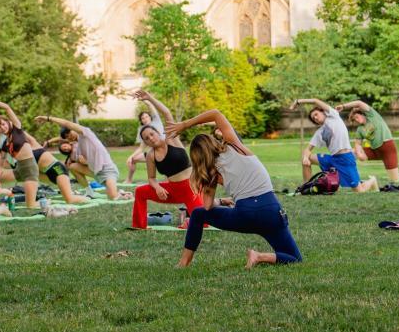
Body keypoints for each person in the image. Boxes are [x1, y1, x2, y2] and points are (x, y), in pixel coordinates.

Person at [166, 109, 302, 269]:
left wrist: (222, 201)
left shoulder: (210, 172)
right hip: (272, 211)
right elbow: (216, 113)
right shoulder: (235, 145)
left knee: (198, 214)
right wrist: (185, 124)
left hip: (246, 214)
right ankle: (259, 256)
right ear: (213, 141)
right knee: (294, 257)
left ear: (197, 157)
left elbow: (207, 206)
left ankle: (183, 263)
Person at [131, 90, 202, 229]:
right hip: (171, 191)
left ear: (157, 132)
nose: (151, 138)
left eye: (152, 134)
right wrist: (157, 188)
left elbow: (167, 113)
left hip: (190, 187)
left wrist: (149, 98)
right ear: (145, 142)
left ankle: (194, 216)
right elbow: (151, 178)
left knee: (203, 222)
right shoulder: (151, 155)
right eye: (146, 138)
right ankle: (139, 225)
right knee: (140, 191)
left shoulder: (171, 138)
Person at [34, 115, 131, 200]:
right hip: (96, 173)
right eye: (67, 137)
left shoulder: (85, 133)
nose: (70, 137)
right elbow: (61, 138)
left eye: (70, 133)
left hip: (107, 169)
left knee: (113, 197)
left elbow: (66, 123)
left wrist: (48, 118)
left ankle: (123, 193)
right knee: (72, 167)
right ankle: (90, 192)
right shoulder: (78, 144)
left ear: (73, 129)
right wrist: (49, 142)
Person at [291, 98, 378, 192]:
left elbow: (315, 101)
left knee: (359, 191)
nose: (315, 118)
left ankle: (372, 180)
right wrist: (305, 158)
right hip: (332, 159)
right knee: (308, 158)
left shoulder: (333, 115)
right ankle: (306, 188)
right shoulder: (319, 132)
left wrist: (298, 101)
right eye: (313, 118)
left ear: (323, 112)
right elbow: (307, 149)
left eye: (316, 114)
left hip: (345, 159)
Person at [336, 100, 399, 183]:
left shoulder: (372, 116)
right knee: (351, 152)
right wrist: (359, 154)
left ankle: (397, 176)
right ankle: (343, 174)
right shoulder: (360, 129)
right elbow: (358, 144)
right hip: (375, 151)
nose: (357, 120)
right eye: (355, 119)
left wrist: (343, 106)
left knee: (395, 181)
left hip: (387, 149)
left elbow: (359, 103)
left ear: (362, 113)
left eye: (357, 117)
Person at [24, 131, 89, 204]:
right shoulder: (71, 156)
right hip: (45, 173)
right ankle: (72, 191)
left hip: (58, 171)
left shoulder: (34, 144)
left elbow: (62, 138)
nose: (65, 148)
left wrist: (49, 141)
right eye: (64, 149)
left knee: (70, 199)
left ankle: (87, 198)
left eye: (65, 146)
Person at [0, 101, 40, 208]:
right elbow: (1, 163)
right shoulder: (5, 143)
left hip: (29, 170)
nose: (2, 128)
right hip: (18, 170)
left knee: (30, 206)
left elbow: (7, 108)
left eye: (3, 124)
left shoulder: (17, 129)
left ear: (7, 122)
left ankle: (44, 202)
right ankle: (6, 192)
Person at [126, 102, 165, 182]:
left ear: (150, 117)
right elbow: (142, 147)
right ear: (141, 121)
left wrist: (145, 99)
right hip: (153, 154)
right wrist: (131, 156)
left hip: (165, 152)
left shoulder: (156, 122)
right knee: (133, 159)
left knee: (168, 178)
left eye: (146, 117)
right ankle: (128, 180)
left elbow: (151, 106)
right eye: (143, 118)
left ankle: (166, 180)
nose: (145, 119)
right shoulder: (142, 130)